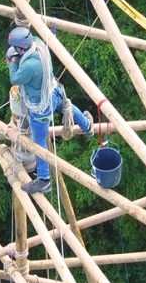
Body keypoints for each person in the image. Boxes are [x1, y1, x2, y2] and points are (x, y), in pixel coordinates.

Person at [6, 25, 91, 194]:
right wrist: (51, 33)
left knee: (39, 142)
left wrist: (13, 63)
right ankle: (88, 127)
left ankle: (44, 180)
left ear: (20, 49)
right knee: (68, 108)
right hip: (54, 92)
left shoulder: (29, 65)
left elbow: (15, 79)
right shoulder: (39, 45)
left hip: (41, 107)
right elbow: (46, 40)